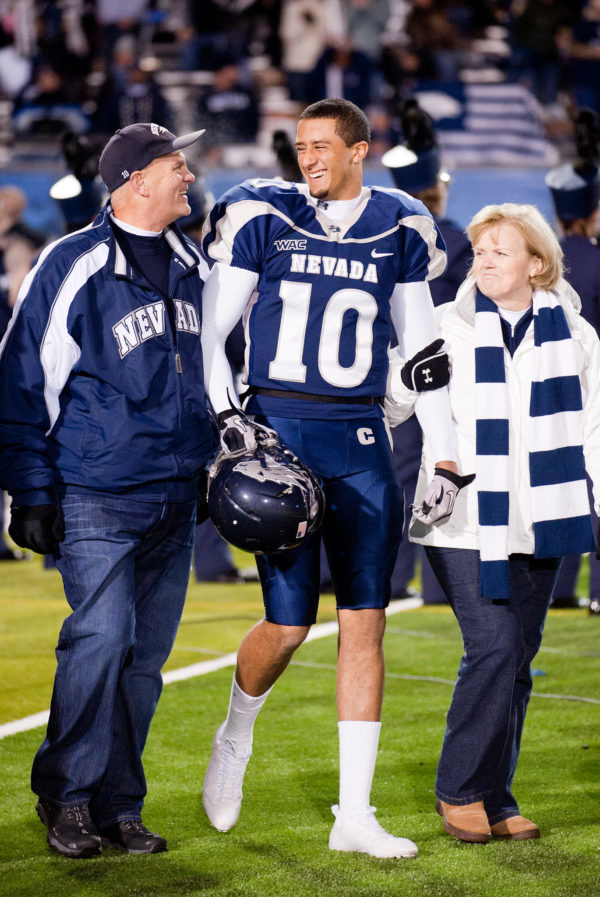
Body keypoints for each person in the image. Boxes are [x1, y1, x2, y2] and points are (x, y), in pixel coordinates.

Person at [199, 97, 469, 858]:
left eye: (323, 145)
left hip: (361, 438)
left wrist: (444, 450)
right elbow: (214, 337)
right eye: (301, 146)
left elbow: (423, 353)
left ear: (360, 148)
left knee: (365, 621)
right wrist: (230, 422)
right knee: (289, 624)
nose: (309, 157)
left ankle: (354, 813)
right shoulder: (262, 212)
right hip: (280, 435)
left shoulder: (400, 221)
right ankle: (235, 734)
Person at [0, 122, 214, 858]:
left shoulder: (195, 263)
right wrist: (29, 490)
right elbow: (22, 381)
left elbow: (215, 379)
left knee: (145, 661)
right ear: (136, 179)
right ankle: (66, 794)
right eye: (175, 166)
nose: (188, 175)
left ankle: (120, 803)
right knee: (99, 638)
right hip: (96, 491)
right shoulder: (71, 262)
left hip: (177, 495)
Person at [409, 203, 600, 842]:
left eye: (500, 251)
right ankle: (459, 789)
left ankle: (497, 796)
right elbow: (389, 404)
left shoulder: (577, 336)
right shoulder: (442, 325)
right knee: (493, 645)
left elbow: (594, 432)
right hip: (463, 519)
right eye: (479, 250)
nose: (483, 261)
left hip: (544, 516)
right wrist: (400, 380)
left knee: (519, 658)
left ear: (536, 264)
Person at [383, 97, 472, 602]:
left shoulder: (378, 235)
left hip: (392, 372)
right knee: (444, 467)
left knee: (397, 478)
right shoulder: (456, 240)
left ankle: (393, 581)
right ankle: (441, 587)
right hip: (444, 373)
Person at [546, 108, 600, 612]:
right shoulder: (596, 258)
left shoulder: (542, 263)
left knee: (558, 481)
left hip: (550, 388)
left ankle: (558, 588)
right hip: (594, 385)